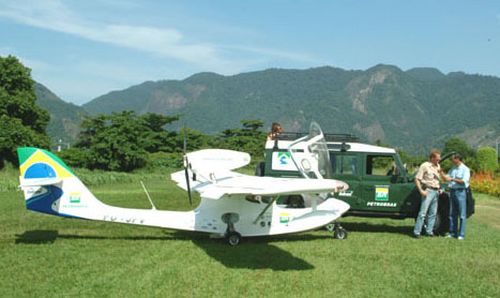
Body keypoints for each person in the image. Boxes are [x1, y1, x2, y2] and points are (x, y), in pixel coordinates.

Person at [441, 153, 470, 240]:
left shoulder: (465, 169)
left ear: (457, 159)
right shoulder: (453, 169)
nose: (451, 161)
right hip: (452, 191)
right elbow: (446, 178)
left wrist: (453, 179)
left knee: (462, 214)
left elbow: (464, 181)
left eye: (452, 159)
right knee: (452, 213)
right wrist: (441, 172)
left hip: (461, 192)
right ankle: (452, 232)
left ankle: (461, 234)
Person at [413, 149, 442, 238]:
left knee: (433, 213)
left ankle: (429, 231)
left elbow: (437, 179)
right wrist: (421, 190)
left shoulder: (438, 166)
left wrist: (439, 188)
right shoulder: (425, 166)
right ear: (432, 158)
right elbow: (417, 179)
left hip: (436, 191)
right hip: (428, 191)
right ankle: (417, 232)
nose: (439, 160)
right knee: (423, 213)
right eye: (437, 159)